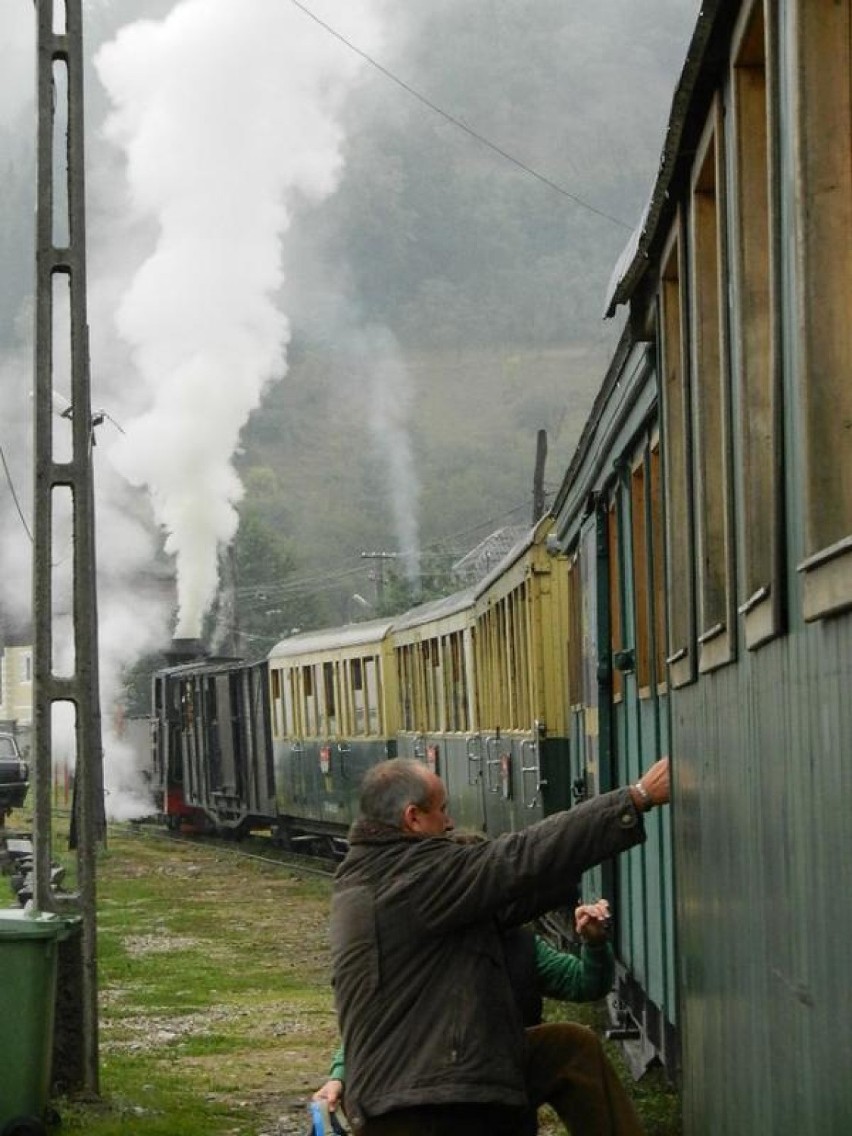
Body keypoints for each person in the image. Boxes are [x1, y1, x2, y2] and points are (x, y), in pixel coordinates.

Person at [330, 755, 669, 1135]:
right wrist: (635, 799)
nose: (450, 822)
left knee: (569, 1048)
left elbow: (517, 890)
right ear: (413, 818)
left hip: (423, 1078)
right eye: (442, 811)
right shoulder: (414, 879)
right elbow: (519, 857)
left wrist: (579, 908)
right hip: (421, 1103)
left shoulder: (372, 878)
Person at [315, 898, 634, 1134]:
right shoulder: (416, 948)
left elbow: (584, 983)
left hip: (498, 1085)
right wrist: (339, 1075)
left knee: (575, 1044)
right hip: (426, 1093)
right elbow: (378, 1020)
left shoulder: (520, 946)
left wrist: (594, 944)